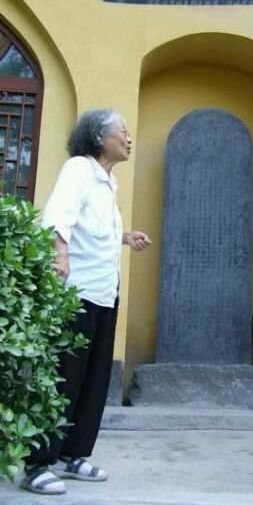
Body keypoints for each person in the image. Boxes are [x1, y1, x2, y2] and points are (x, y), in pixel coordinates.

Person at [20, 109, 151, 495]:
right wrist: (61, 254)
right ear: (98, 138)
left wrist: (125, 237)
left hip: (104, 292)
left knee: (94, 379)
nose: (128, 138)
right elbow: (60, 215)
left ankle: (72, 455)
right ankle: (36, 462)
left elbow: (91, 226)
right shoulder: (79, 168)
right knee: (65, 377)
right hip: (77, 292)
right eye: (122, 132)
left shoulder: (107, 180)